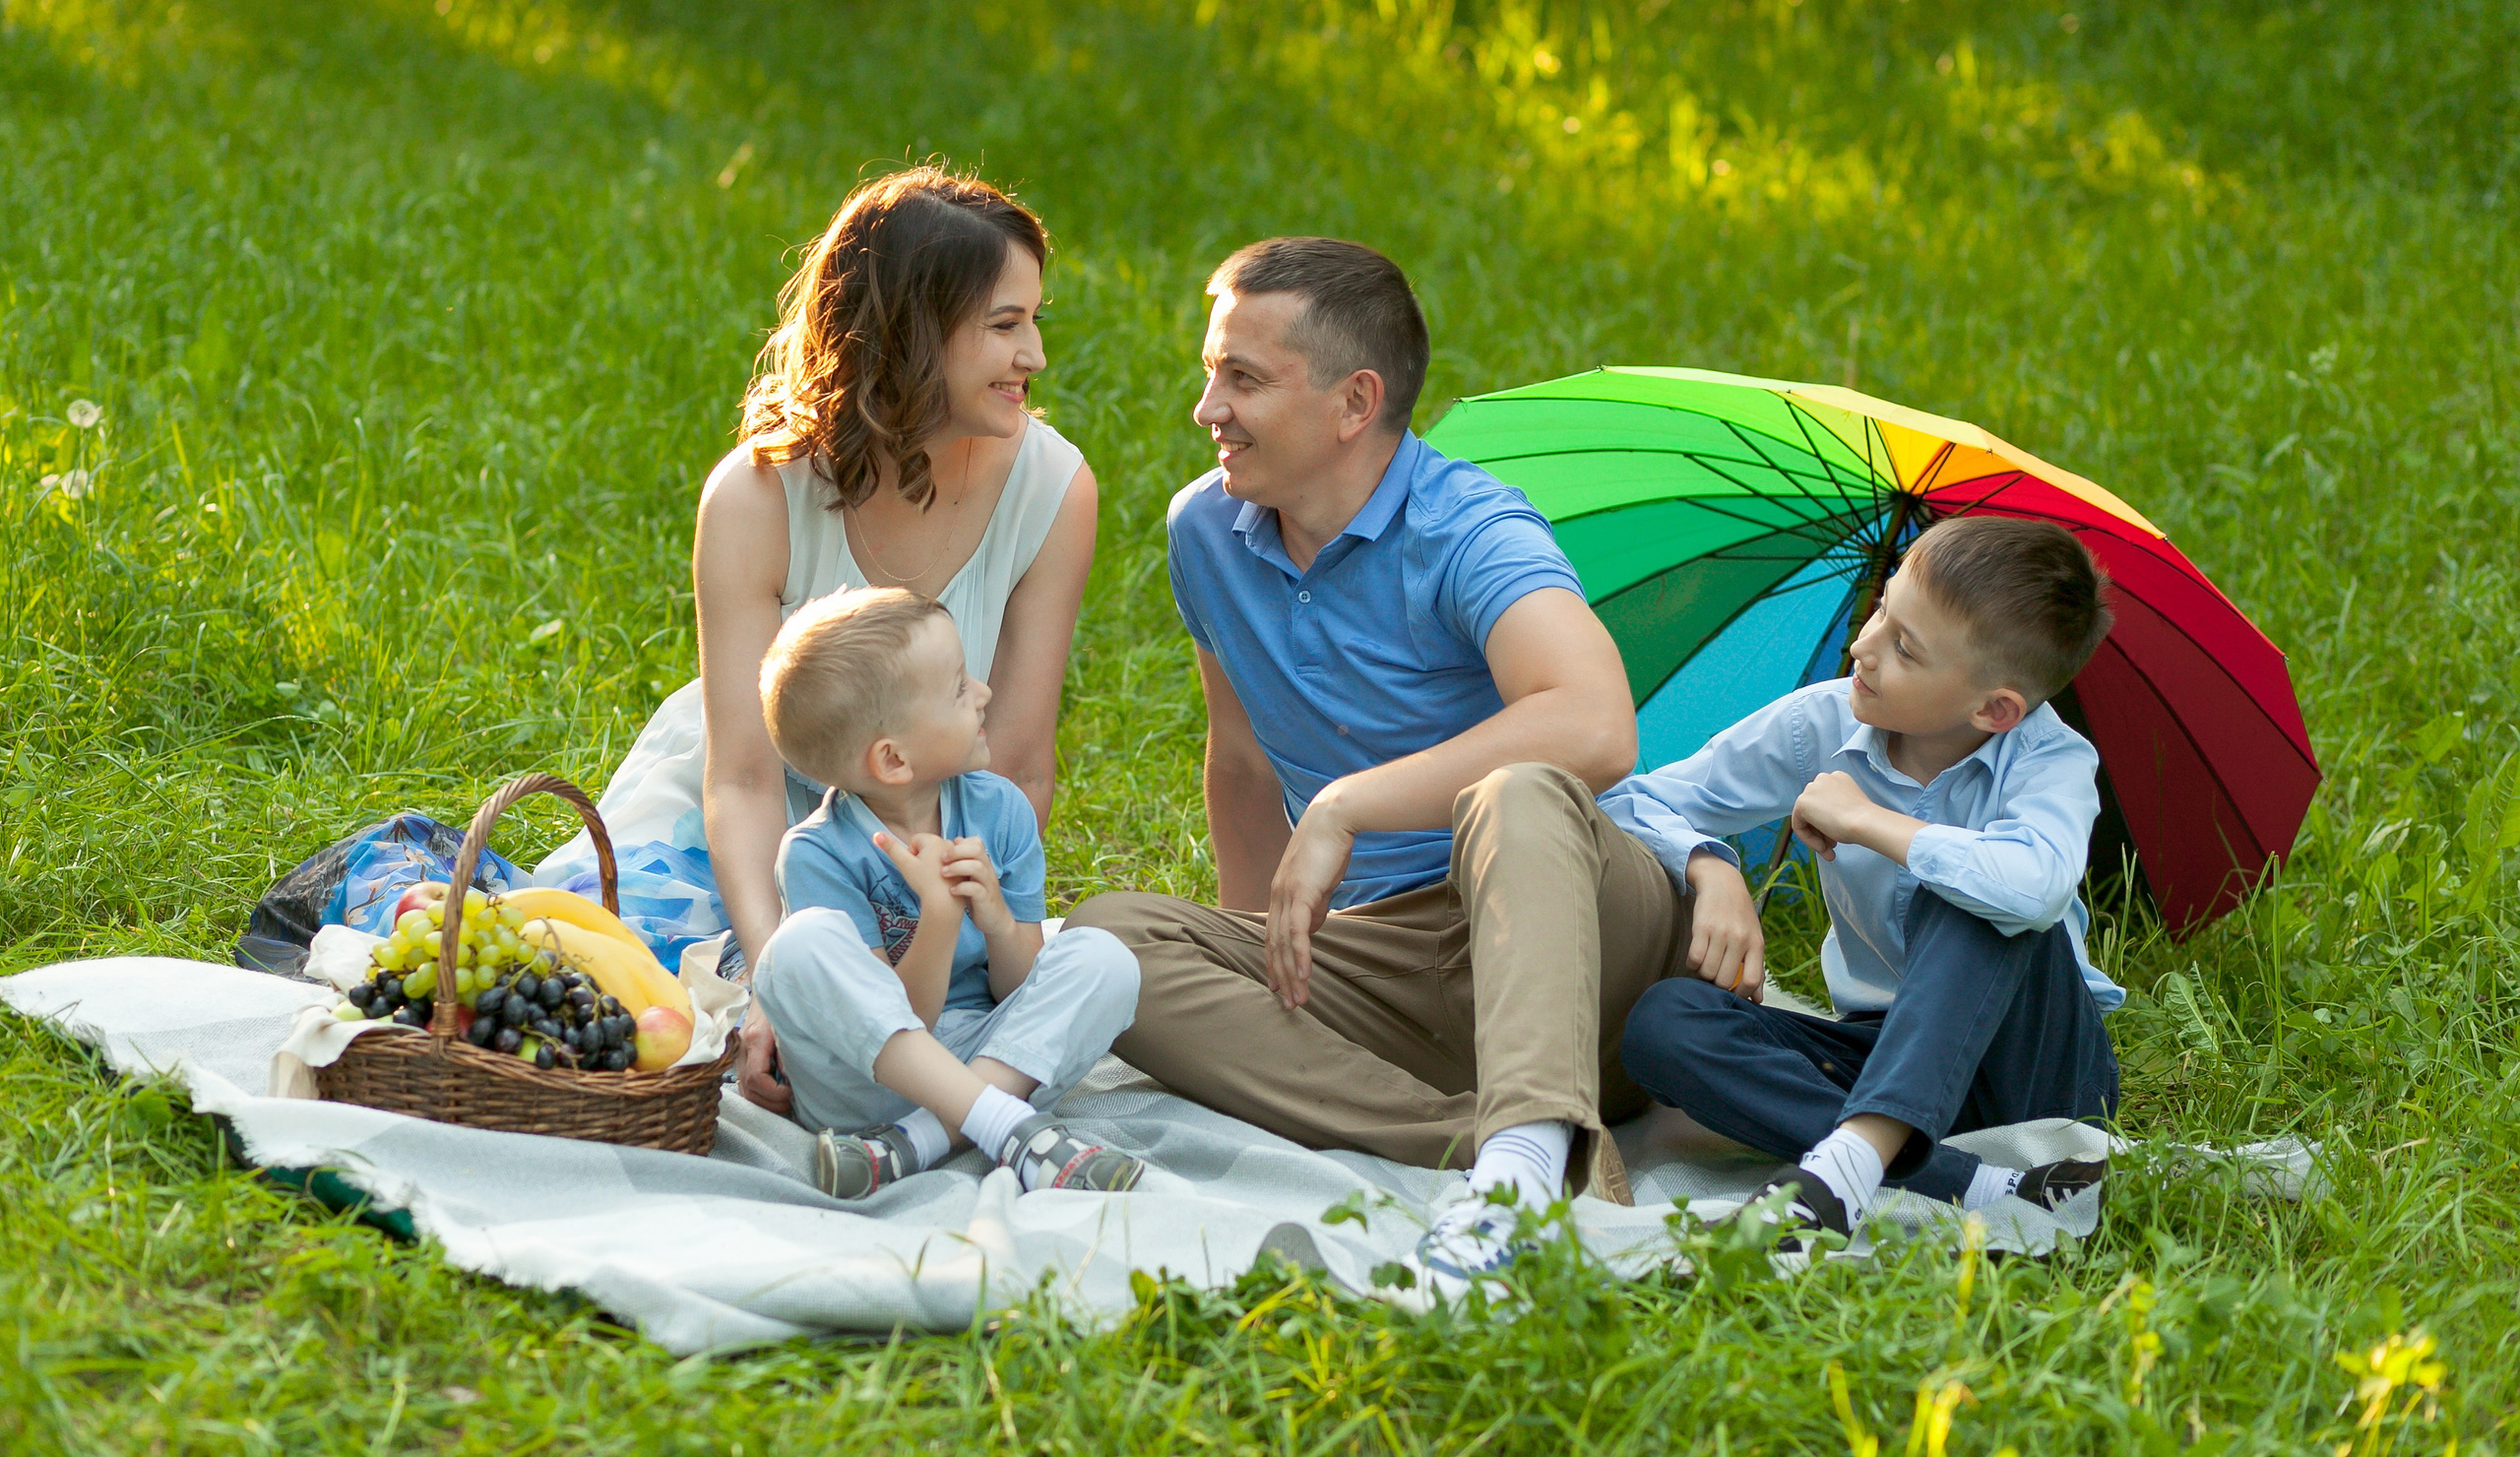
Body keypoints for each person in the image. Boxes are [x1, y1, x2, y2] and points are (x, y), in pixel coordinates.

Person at [1065, 237, 1764, 1302]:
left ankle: (1524, 1164)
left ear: (1355, 402)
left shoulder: (1470, 530)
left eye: (1242, 378)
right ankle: (1507, 1150)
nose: (1207, 407)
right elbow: (1243, 761)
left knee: (1522, 789)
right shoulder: (1205, 530)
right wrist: (1264, 956)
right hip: (1392, 965)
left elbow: (1595, 723)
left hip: (1573, 936)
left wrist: (1349, 804)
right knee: (1108, 945)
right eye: (1211, 371)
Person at [530, 168, 1097, 1125]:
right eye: (1004, 325)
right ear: (915, 330)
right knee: (614, 994)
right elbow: (744, 779)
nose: (1033, 354)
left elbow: (1021, 769)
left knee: (972, 996)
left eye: (1033, 320)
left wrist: (942, 926)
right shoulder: (758, 494)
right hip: (747, 819)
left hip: (926, 815)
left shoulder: (1052, 490)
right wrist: (768, 983)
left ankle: (940, 1102)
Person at [1612, 515, 2122, 1247]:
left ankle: (1846, 1168)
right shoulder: (1821, 723)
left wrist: (1866, 822)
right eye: (1883, 607)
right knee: (1665, 1025)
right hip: (1881, 1052)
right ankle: (1972, 1183)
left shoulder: (2050, 760)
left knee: (1971, 886)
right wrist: (1710, 864)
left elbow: (2033, 888)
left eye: (1904, 647)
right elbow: (1628, 800)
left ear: (1994, 708)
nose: (1865, 645)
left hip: (2034, 1071)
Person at [747, 586, 1147, 1197]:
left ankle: (916, 1144)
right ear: (894, 759)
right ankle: (1006, 1127)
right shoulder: (817, 853)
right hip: (864, 1081)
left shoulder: (999, 809)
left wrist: (996, 923)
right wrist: (937, 913)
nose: (983, 693)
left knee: (1103, 959)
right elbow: (893, 1025)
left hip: (987, 1051)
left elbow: (1019, 986)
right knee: (796, 946)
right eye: (961, 688)